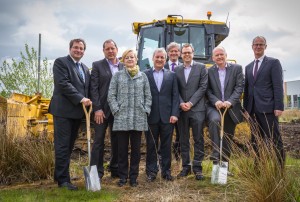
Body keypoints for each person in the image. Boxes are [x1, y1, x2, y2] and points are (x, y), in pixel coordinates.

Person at [49, 38, 92, 190]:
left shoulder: (85, 69)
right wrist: (81, 98)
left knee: (68, 147)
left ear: (84, 51)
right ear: (70, 48)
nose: (78, 50)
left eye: (81, 48)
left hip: (76, 114)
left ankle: (61, 175)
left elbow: (87, 89)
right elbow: (63, 84)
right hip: (63, 112)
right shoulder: (61, 63)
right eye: (76, 47)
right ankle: (63, 181)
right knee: (62, 146)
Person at [107, 49, 152, 187]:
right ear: (123, 60)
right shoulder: (117, 76)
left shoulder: (143, 76)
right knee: (122, 150)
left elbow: (148, 96)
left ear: (136, 59)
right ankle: (122, 177)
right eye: (127, 57)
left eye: (132, 57)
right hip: (121, 118)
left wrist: (146, 110)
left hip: (138, 118)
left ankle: (133, 177)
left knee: (136, 151)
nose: (130, 59)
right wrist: (116, 110)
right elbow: (111, 95)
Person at [243, 36, 285, 167]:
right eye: (256, 44)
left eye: (261, 44)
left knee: (274, 140)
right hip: (253, 110)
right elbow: (248, 89)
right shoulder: (248, 67)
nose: (258, 47)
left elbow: (278, 86)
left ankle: (279, 169)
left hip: (268, 108)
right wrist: (245, 109)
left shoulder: (273, 63)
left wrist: (279, 106)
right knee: (256, 140)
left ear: (265, 47)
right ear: (252, 46)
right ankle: (259, 168)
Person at [144, 48, 179, 182]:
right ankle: (151, 172)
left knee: (166, 145)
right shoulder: (145, 74)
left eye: (162, 58)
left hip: (167, 117)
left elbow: (175, 96)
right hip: (150, 116)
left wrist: (175, 114)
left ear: (166, 60)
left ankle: (166, 172)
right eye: (157, 57)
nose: (159, 60)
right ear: (153, 58)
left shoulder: (172, 75)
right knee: (151, 145)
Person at [90, 39, 123, 179]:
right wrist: (97, 108)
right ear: (103, 51)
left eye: (112, 48)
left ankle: (115, 169)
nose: (110, 51)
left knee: (117, 140)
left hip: (118, 110)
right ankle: (97, 172)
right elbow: (94, 88)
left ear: (117, 49)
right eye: (107, 49)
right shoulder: (97, 65)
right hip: (101, 111)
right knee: (98, 140)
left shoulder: (124, 66)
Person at [206, 46, 244, 167]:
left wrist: (230, 101)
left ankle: (224, 167)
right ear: (213, 58)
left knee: (228, 137)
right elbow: (207, 90)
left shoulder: (237, 69)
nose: (219, 57)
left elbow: (239, 87)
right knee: (214, 122)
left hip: (231, 108)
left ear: (226, 55)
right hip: (215, 107)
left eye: (221, 54)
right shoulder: (209, 71)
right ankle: (216, 157)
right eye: (216, 55)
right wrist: (215, 101)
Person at [174, 43, 208, 180]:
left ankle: (198, 168)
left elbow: (203, 87)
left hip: (197, 109)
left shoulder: (201, 68)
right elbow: (175, 89)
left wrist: (190, 103)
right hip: (182, 110)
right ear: (181, 55)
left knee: (198, 139)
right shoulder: (176, 70)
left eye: (189, 52)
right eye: (184, 53)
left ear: (193, 53)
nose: (187, 55)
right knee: (183, 139)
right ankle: (186, 167)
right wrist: (182, 102)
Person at [164, 42, 182, 161]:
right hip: (166, 105)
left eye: (176, 51)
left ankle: (178, 155)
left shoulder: (183, 66)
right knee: (166, 133)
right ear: (168, 53)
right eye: (171, 51)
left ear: (179, 53)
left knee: (180, 133)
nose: (174, 53)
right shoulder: (162, 66)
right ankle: (165, 157)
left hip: (181, 105)